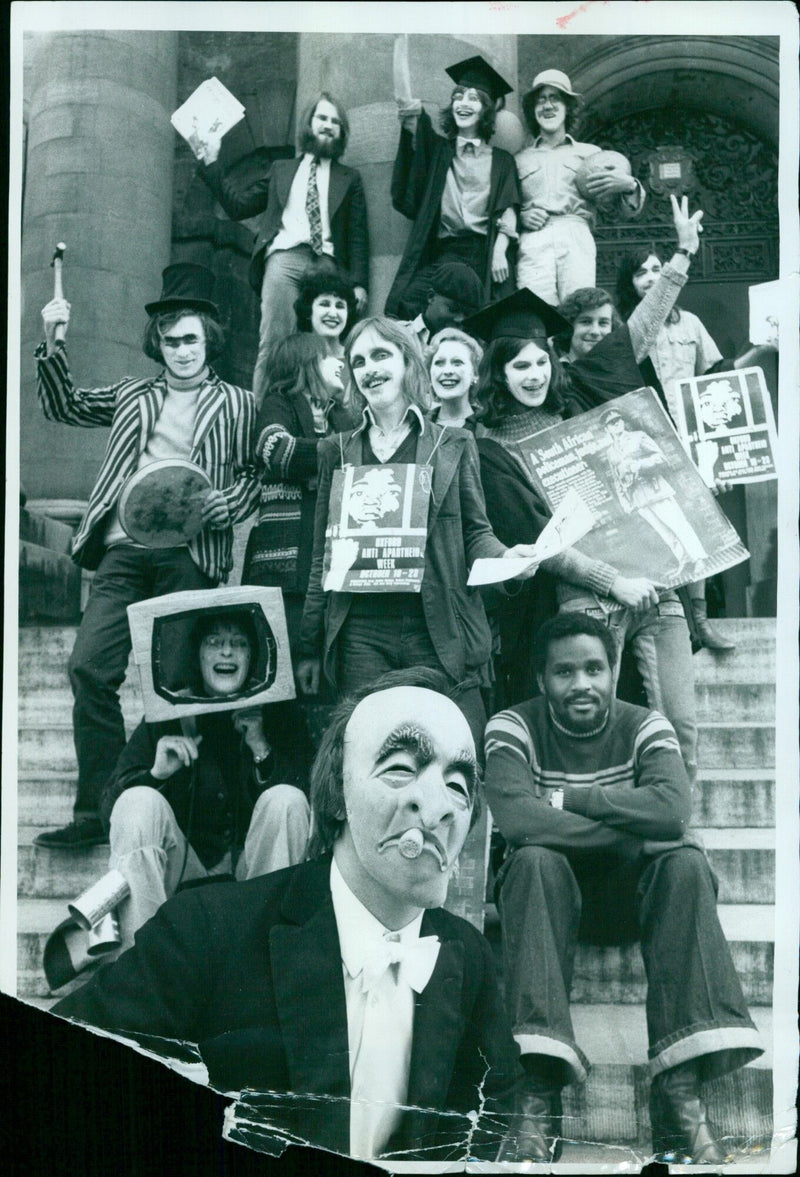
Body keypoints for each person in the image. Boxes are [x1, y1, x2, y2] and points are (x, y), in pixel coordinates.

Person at [53, 667, 537, 1163]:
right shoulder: (204, 931)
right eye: (399, 768)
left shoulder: (467, 954)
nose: (437, 806)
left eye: (458, 785)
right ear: (338, 794)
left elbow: (493, 1102)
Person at [483, 613, 763, 1164]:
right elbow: (519, 822)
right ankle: (538, 1092)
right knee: (535, 860)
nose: (581, 683)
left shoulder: (646, 726)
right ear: (542, 680)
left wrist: (572, 803)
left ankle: (680, 1094)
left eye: (594, 668)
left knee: (683, 864)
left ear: (613, 671)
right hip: (548, 905)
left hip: (634, 904)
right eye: (565, 672)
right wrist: (633, 836)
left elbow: (672, 810)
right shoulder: (511, 727)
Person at [35, 264, 259, 849]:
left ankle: (174, 805)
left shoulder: (239, 403)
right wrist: (53, 339)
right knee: (89, 667)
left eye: (190, 338)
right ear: (156, 343)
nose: (181, 350)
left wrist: (226, 504)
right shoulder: (134, 392)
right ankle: (95, 812)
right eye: (170, 339)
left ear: (209, 338)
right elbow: (65, 405)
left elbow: (258, 475)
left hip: (188, 554)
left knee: (179, 680)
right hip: (121, 550)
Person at [295, 316, 539, 746]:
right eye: (359, 361)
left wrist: (505, 558)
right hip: (362, 632)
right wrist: (310, 645)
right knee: (372, 753)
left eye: (381, 355)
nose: (370, 368)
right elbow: (323, 556)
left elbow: (475, 534)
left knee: (455, 752)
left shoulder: (454, 444)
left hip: (438, 626)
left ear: (408, 361)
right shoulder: (336, 450)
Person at [100, 611, 310, 951]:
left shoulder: (278, 713)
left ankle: (270, 959)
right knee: (138, 801)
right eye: (214, 643)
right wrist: (155, 775)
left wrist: (261, 748)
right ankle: (140, 965)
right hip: (183, 875)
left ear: (251, 657)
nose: (226, 652)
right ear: (198, 656)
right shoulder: (169, 711)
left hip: (255, 882)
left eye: (238, 644)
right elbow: (110, 809)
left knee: (287, 798)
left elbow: (310, 801)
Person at [195, 92, 369, 403]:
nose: (328, 126)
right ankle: (261, 419)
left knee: (327, 343)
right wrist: (211, 162)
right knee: (273, 342)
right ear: (309, 125)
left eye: (335, 122)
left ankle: (328, 417)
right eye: (322, 119)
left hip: (327, 264)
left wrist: (358, 284)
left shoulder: (349, 178)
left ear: (341, 132)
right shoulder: (282, 169)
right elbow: (240, 205)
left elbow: (357, 235)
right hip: (284, 259)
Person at [386, 36, 520, 320]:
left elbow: (508, 211)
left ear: (487, 108)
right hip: (444, 255)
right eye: (458, 95)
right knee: (409, 303)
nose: (463, 102)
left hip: (483, 256)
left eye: (474, 98)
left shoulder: (502, 161)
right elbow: (406, 105)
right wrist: (400, 42)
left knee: (485, 319)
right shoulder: (438, 151)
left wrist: (500, 251)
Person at [242, 332, 355, 655]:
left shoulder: (340, 415)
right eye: (328, 357)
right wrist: (335, 453)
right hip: (286, 558)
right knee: (282, 652)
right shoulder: (280, 403)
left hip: (331, 558)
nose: (340, 363)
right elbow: (274, 447)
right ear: (306, 364)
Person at [556, 194, 704, 417]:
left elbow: (651, 312)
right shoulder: (550, 370)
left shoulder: (616, 355)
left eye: (604, 323)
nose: (596, 331)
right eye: (586, 321)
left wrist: (686, 249)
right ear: (569, 326)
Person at [515, 69, 645, 304]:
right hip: (533, 239)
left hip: (575, 232)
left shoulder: (591, 155)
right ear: (533, 110)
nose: (547, 106)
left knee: (578, 308)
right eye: (541, 100)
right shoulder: (519, 159)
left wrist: (628, 186)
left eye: (555, 98)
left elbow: (619, 210)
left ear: (568, 107)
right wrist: (520, 217)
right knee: (534, 311)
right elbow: (506, 206)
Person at [600, 406, 708, 581]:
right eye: (611, 424)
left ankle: (699, 558)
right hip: (636, 496)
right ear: (607, 429)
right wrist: (625, 502)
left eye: (617, 420)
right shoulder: (611, 452)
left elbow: (661, 458)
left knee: (678, 525)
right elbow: (616, 479)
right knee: (664, 532)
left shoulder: (638, 437)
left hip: (655, 487)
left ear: (622, 421)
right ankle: (684, 560)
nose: (616, 424)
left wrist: (639, 465)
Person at [396, 260, 485, 351]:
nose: (460, 319)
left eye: (468, 314)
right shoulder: (397, 336)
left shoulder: (471, 350)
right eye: (453, 309)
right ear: (431, 297)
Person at [425, 326, 483, 429]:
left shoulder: (488, 427)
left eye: (457, 363)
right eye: (439, 363)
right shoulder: (417, 427)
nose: (447, 371)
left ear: (475, 374)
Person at [293, 268, 358, 360]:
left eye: (340, 306)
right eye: (324, 304)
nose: (333, 314)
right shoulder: (293, 359)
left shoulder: (357, 358)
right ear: (308, 310)